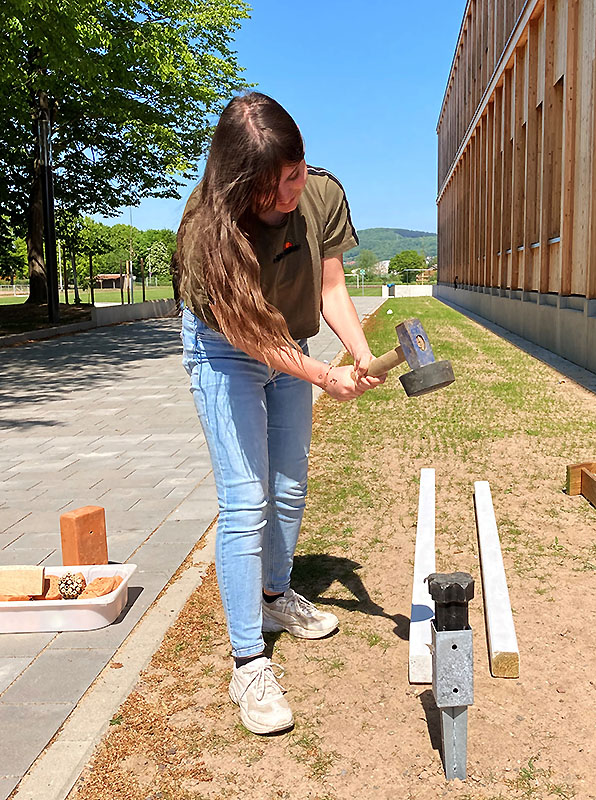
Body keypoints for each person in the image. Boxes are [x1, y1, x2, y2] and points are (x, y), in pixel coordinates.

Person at [175, 93, 384, 735]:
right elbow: (252, 337)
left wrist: (363, 356)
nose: (291, 194)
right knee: (246, 500)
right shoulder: (208, 234)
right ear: (242, 186)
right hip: (229, 348)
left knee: (288, 489)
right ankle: (248, 665)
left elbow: (330, 289)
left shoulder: (321, 194)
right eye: (275, 188)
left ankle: (274, 599)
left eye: (295, 173)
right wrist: (324, 375)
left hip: (291, 343)